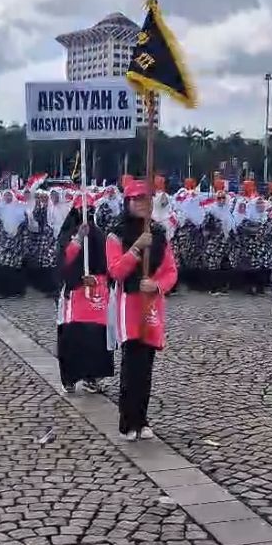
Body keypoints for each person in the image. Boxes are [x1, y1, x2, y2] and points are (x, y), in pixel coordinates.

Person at [107, 180, 178, 442]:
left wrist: (156, 285)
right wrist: (136, 249)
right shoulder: (116, 234)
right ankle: (128, 422)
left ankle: (143, 419)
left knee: (146, 365)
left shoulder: (159, 234)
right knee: (131, 364)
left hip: (151, 305)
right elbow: (115, 271)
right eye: (134, 199)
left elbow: (171, 271)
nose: (139, 204)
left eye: (144, 199)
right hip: (129, 305)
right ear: (127, 203)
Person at [55, 198, 114, 394]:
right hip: (74, 295)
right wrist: (78, 240)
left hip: (96, 296)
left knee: (96, 340)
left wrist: (96, 280)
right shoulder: (67, 235)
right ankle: (70, 378)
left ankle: (92, 377)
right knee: (72, 339)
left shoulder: (100, 236)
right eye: (81, 211)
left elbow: (109, 267)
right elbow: (64, 263)